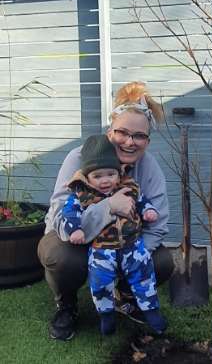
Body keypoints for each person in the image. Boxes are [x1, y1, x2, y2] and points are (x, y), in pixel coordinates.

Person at [38, 81, 174, 341]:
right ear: (110, 131)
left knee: (162, 262)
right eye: (122, 132)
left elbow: (159, 223)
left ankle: (126, 294)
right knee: (63, 258)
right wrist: (109, 207)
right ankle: (66, 305)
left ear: (148, 140)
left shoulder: (149, 167)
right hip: (74, 240)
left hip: (125, 241)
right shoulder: (79, 158)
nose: (130, 142)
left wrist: (130, 254)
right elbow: (58, 217)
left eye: (139, 136)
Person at [62, 134, 167, 335]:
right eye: (98, 176)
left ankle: (152, 312)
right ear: (87, 177)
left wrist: (148, 211)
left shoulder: (129, 187)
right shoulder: (81, 194)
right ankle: (107, 315)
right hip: (102, 249)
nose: (105, 181)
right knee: (100, 282)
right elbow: (69, 213)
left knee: (144, 276)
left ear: (118, 173)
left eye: (110, 174)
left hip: (132, 246)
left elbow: (142, 200)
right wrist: (75, 229)